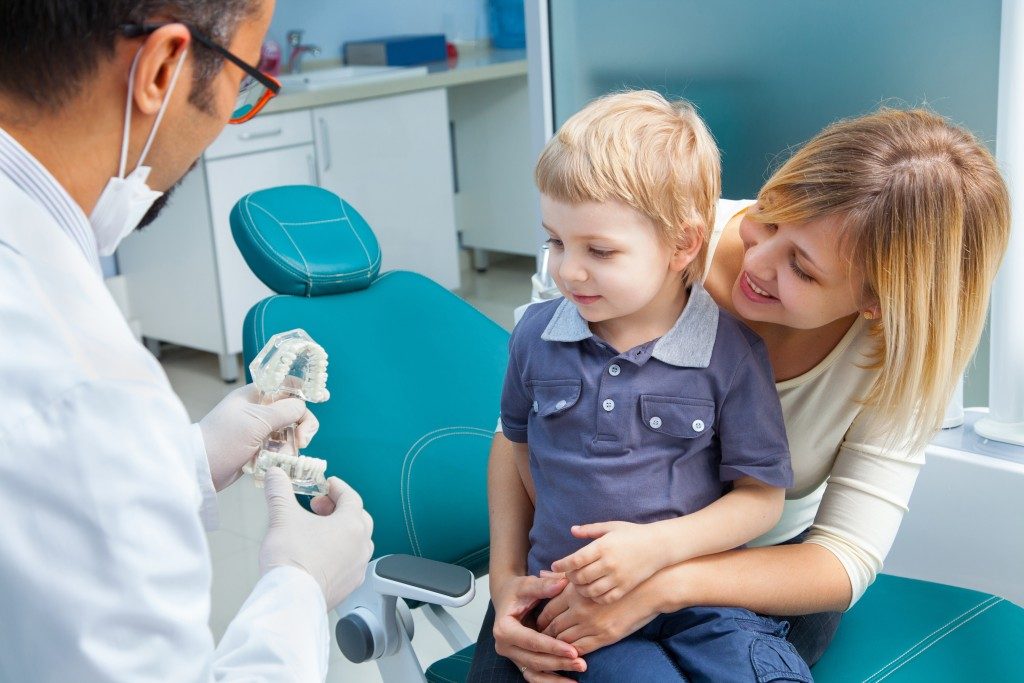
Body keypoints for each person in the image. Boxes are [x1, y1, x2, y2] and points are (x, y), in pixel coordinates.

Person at [473, 106, 1010, 682]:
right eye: (770, 217)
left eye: (802, 270)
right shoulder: (623, 234)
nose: (755, 261)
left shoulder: (895, 354)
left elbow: (845, 556)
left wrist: (663, 583)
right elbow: (521, 435)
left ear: (875, 302)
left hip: (755, 575)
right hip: (582, 568)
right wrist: (506, 582)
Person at [0, 1, 374, 681]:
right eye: (246, 77)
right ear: (164, 68)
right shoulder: (88, 385)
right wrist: (301, 585)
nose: (232, 117)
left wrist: (189, 458)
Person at [474, 90, 812, 681]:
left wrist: (657, 550)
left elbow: (761, 499)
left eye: (599, 250)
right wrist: (525, 575)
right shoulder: (534, 336)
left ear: (682, 245)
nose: (567, 270)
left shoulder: (731, 353)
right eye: (555, 241)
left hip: (704, 600)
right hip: (581, 604)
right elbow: (519, 447)